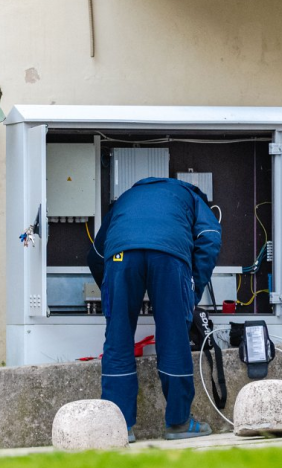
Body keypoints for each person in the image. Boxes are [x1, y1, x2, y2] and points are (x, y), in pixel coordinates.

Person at [88, 177, 222, 441]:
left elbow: (95, 254)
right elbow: (210, 237)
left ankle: (120, 426)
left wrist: (113, 291)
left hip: (120, 256)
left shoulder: (126, 197)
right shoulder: (192, 197)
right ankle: (179, 422)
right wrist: (192, 291)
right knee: (174, 336)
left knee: (118, 338)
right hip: (169, 255)